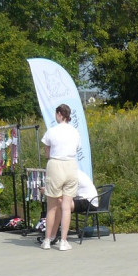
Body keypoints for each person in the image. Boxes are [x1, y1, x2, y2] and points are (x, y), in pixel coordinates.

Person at [40, 104, 81, 251]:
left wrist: (49, 155)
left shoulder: (52, 131)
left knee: (51, 207)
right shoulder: (75, 132)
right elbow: (76, 148)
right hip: (71, 165)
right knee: (66, 207)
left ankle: (47, 240)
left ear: (59, 114)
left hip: (56, 165)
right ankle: (63, 241)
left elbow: (47, 150)